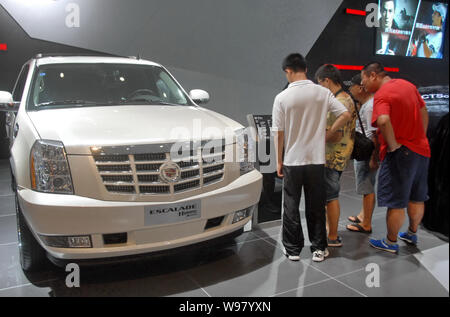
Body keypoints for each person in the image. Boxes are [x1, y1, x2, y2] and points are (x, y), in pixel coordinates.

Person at [272, 53, 351, 262]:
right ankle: (318, 248)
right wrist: (328, 133)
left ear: (288, 71)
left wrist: (278, 160)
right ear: (305, 69)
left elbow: (278, 132)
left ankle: (293, 249)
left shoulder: (282, 98)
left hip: (292, 160)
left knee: (290, 205)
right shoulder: (321, 93)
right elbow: (345, 114)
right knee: (316, 205)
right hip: (316, 160)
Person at [361, 61, 431, 254]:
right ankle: (411, 232)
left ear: (373, 75)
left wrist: (393, 147)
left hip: (402, 154)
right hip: (421, 150)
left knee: (396, 201)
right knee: (417, 197)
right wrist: (421, 136)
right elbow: (423, 110)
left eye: (364, 79)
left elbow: (383, 120)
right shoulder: (408, 85)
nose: (364, 84)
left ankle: (391, 242)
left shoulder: (383, 94)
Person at [315, 64, 356, 248]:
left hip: (332, 156)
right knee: (328, 197)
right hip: (339, 155)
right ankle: (329, 230)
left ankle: (332, 236)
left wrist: (313, 138)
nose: (320, 87)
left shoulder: (338, 102)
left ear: (327, 80)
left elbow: (334, 134)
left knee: (330, 197)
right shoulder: (346, 97)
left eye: (320, 83)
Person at [346, 73, 378, 234]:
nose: (350, 89)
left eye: (352, 86)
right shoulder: (365, 105)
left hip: (367, 152)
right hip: (365, 152)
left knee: (367, 187)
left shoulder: (370, 106)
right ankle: (362, 215)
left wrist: (374, 157)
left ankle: (366, 223)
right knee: (365, 185)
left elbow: (375, 134)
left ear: (360, 87)